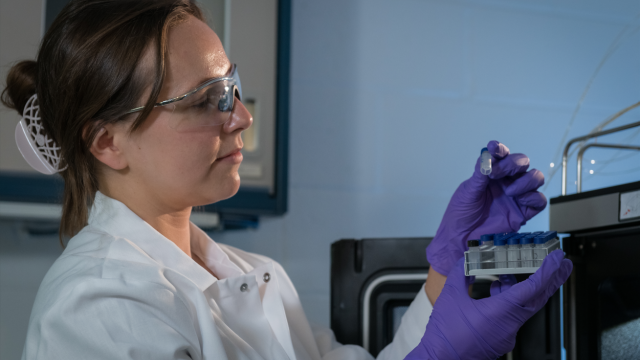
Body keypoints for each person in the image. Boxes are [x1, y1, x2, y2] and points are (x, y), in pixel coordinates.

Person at [1, 1, 571, 359]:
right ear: (106, 141)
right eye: (208, 100)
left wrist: (443, 274)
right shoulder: (98, 308)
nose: (243, 116)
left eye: (233, 86)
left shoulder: (256, 276)